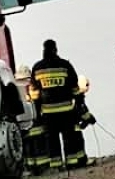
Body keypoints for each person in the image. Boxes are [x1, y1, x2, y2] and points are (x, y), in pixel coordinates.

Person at [30, 39, 86, 171]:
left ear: (43, 49)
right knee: (69, 137)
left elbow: (35, 94)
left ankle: (57, 166)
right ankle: (71, 163)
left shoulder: (37, 68)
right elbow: (75, 89)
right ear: (55, 49)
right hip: (66, 110)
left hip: (48, 113)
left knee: (52, 140)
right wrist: (80, 105)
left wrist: (37, 112)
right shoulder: (65, 65)